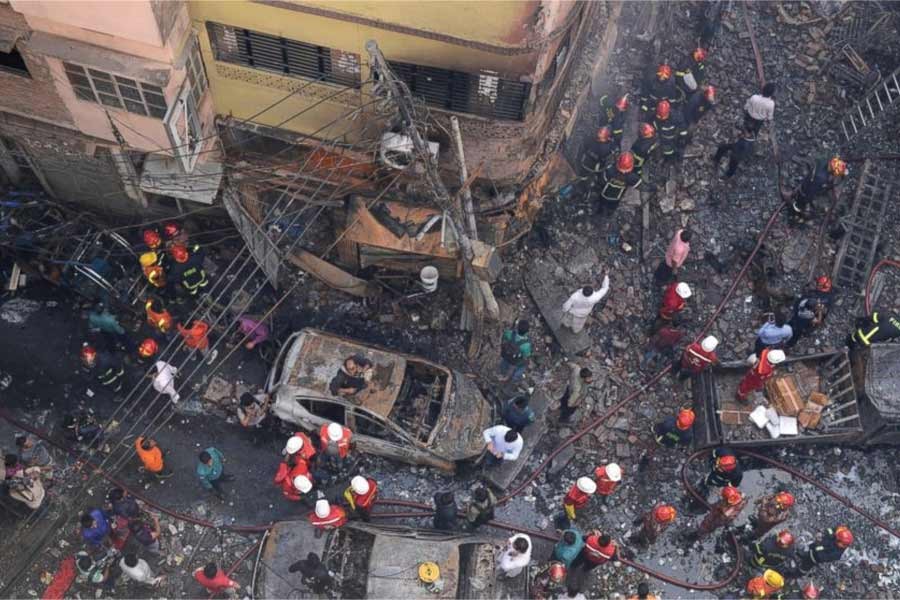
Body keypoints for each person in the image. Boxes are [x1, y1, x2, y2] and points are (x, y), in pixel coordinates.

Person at [788, 157, 848, 226]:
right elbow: (811, 192)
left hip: (807, 182)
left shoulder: (824, 162)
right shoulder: (821, 178)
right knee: (799, 205)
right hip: (805, 192)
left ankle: (795, 210)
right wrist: (808, 199)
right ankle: (793, 215)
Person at [787, 279, 832, 347]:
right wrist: (819, 311)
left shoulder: (804, 301)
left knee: (789, 326)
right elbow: (818, 321)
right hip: (801, 324)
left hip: (795, 318)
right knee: (796, 335)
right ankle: (789, 344)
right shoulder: (809, 315)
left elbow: (797, 304)